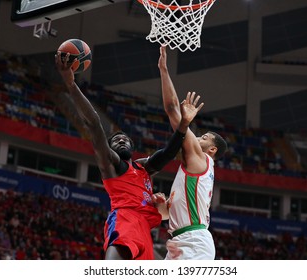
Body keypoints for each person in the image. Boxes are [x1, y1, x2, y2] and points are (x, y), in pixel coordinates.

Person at [55, 51, 204, 260]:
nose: (121, 140)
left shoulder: (142, 167)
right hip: (125, 221)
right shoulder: (112, 165)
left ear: (133, 147)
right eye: (115, 140)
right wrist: (71, 85)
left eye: (124, 139)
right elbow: (94, 125)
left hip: (145, 231)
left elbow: (169, 152)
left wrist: (184, 123)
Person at [157, 45, 228, 260]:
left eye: (204, 138)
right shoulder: (195, 169)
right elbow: (168, 215)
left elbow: (171, 109)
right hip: (182, 240)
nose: (198, 138)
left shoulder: (199, 158)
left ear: (212, 149)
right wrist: (163, 208)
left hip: (193, 243)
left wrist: (163, 70)